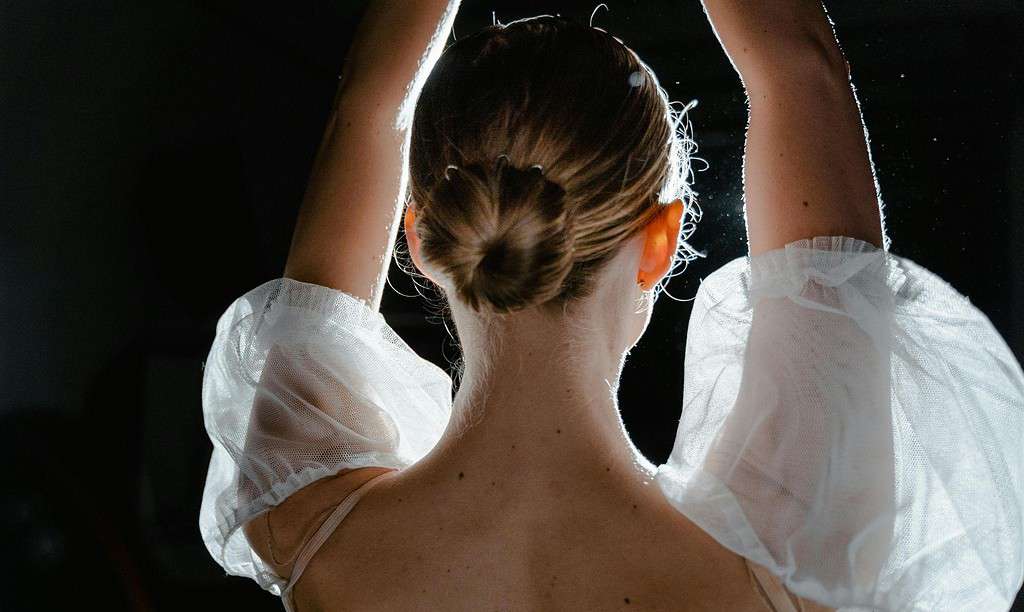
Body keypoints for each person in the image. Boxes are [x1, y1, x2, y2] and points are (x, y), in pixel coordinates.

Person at [198, 1, 1024, 610]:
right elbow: (799, 65)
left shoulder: (313, 529)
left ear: (422, 236)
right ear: (662, 240)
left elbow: (368, 105)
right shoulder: (785, 558)